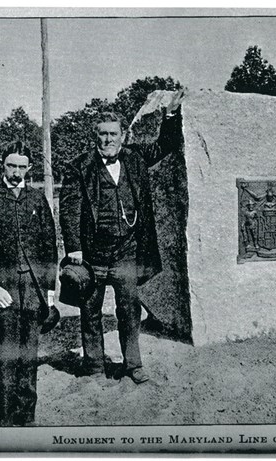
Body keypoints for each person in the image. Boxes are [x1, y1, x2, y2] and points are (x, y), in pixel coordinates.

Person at [59, 107, 179, 384]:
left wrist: (170, 117)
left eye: (114, 133)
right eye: (103, 134)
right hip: (92, 255)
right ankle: (94, 366)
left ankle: (133, 365)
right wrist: (74, 247)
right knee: (90, 312)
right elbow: (69, 210)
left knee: (129, 309)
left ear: (123, 135)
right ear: (95, 137)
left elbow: (165, 145)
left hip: (126, 251)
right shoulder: (79, 166)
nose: (108, 139)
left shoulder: (134, 158)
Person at [0, 141, 58, 426]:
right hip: (4, 292)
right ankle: (5, 419)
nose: (16, 172)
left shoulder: (37, 199)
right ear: (2, 166)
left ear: (29, 168)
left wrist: (50, 292)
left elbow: (49, 248)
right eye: (11, 165)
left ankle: (27, 416)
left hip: (33, 291)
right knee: (6, 357)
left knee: (29, 356)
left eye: (22, 166)